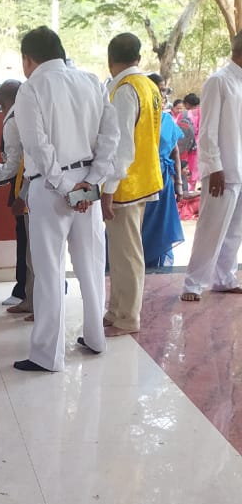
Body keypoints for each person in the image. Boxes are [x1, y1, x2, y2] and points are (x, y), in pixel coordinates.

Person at [11, 26, 120, 371]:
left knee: (49, 271)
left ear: (28, 59)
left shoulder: (31, 89)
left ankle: (47, 355)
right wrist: (90, 183)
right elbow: (110, 137)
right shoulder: (92, 81)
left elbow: (38, 146)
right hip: (87, 180)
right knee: (90, 265)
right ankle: (95, 338)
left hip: (50, 186)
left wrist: (63, 186)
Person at [102, 33, 163, 336]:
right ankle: (115, 310)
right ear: (138, 57)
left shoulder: (125, 90)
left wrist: (109, 189)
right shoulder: (149, 86)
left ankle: (127, 317)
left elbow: (122, 146)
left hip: (126, 182)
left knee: (127, 254)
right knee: (121, 251)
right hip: (143, 177)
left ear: (111, 60)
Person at [180, 31, 242, 301]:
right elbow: (206, 131)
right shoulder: (219, 81)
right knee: (211, 227)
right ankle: (193, 283)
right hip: (223, 169)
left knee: (235, 230)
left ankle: (225, 278)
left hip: (240, 168)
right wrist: (214, 166)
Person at [0, 79, 32, 313]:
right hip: (34, 185)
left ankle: (26, 294)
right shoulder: (31, 111)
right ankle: (29, 294)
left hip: (24, 187)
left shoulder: (12, 120)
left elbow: (15, 161)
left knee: (28, 247)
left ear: (3, 102)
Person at [142, 73, 185, 271]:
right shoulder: (139, 116)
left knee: (161, 227)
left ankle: (155, 266)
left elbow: (175, 151)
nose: (161, 93)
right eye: (157, 89)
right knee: (140, 226)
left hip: (164, 180)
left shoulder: (167, 119)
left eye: (163, 89)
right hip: (141, 181)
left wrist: (179, 184)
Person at [183, 92, 202, 190]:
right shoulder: (205, 111)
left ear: (187, 104)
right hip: (201, 145)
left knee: (187, 170)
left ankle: (188, 192)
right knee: (196, 170)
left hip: (187, 146)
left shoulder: (185, 114)